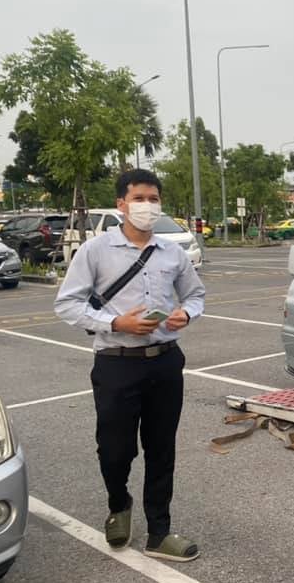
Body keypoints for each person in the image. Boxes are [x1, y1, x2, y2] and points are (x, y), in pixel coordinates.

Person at [55, 169, 206, 562]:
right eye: (139, 199)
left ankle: (159, 531)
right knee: (115, 449)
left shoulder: (171, 252)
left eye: (153, 199)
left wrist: (184, 316)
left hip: (164, 363)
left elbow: (195, 295)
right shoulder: (95, 250)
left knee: (161, 448)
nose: (148, 206)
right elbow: (67, 303)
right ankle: (118, 505)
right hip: (116, 363)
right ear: (121, 204)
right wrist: (115, 323)